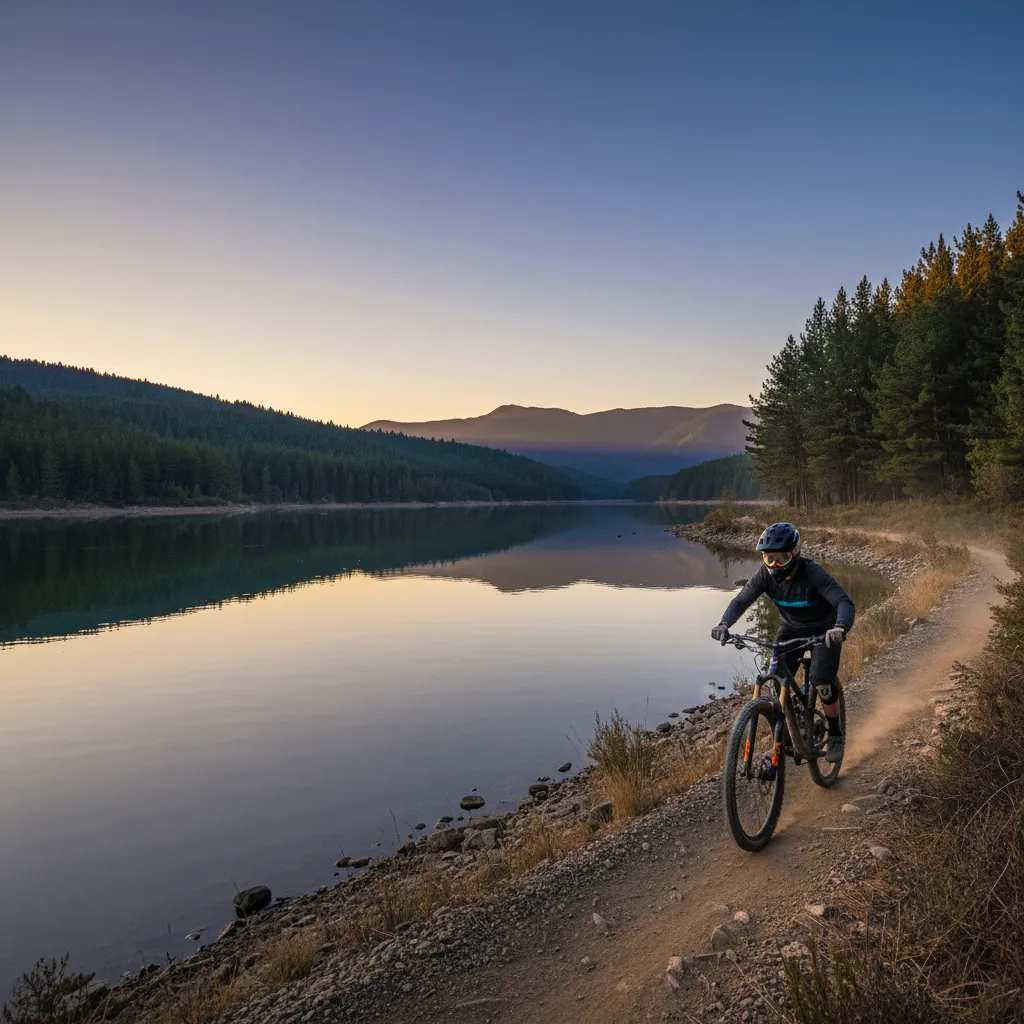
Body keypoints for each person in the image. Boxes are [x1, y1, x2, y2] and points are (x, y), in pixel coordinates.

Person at [710, 522, 854, 763]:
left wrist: (839, 627)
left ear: (795, 554)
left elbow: (843, 602)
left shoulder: (812, 573)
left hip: (825, 630)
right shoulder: (764, 576)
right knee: (777, 679)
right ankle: (796, 724)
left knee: (823, 683)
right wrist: (724, 624)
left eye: (782, 558)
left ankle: (836, 735)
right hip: (790, 630)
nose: (775, 565)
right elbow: (741, 601)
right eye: (769, 559)